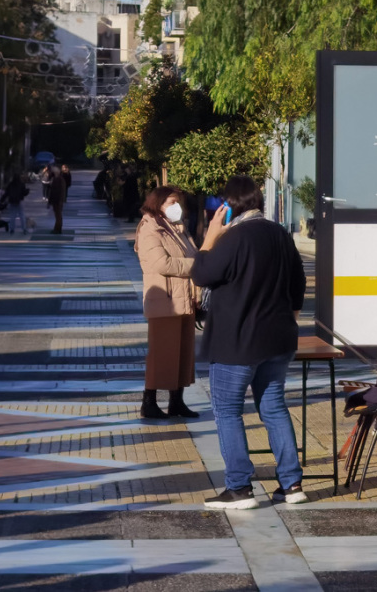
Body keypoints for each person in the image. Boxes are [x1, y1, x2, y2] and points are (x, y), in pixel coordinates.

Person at [192, 175, 307, 510]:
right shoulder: (280, 234)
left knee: (227, 410)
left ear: (228, 206)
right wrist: (288, 317)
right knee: (273, 407)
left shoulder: (233, 238)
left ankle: (239, 487)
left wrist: (209, 237)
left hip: (237, 341)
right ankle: (291, 484)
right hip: (279, 339)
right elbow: (298, 283)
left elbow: (202, 274)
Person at [134, 186, 200, 420]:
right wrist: (195, 266)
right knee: (161, 353)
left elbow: (193, 253)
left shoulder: (177, 228)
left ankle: (176, 401)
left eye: (178, 202)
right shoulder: (150, 228)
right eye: (171, 201)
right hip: (164, 300)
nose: (176, 206)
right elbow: (161, 264)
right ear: (158, 203)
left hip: (184, 298)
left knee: (182, 354)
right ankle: (149, 402)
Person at [47, 164, 66, 235]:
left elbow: (54, 192)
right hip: (58, 200)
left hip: (57, 200)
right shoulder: (60, 179)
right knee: (58, 215)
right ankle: (57, 228)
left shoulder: (57, 179)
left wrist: (50, 201)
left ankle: (57, 229)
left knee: (58, 215)